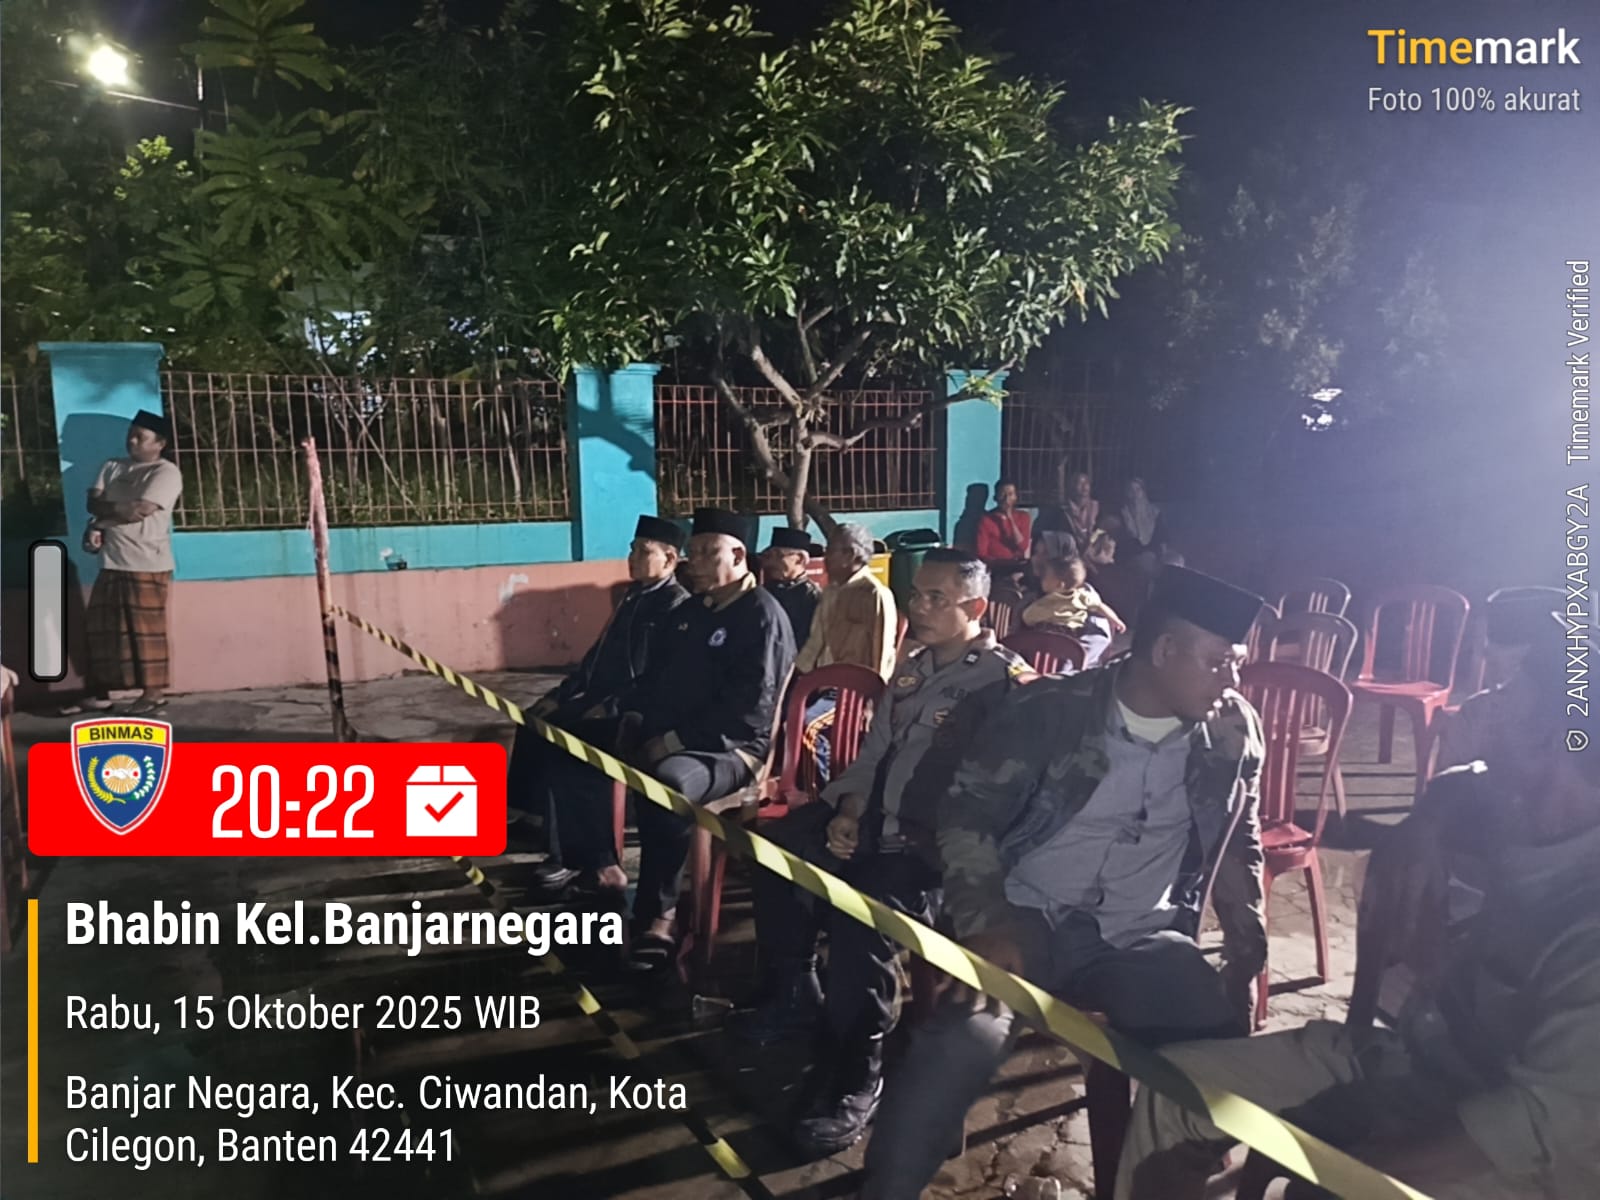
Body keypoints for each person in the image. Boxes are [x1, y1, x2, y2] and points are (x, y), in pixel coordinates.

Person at [1116, 638, 1600, 1200]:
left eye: (1510, 695)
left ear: (1550, 742)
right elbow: (1463, 780)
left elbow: (1535, 1130)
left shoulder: (1585, 921)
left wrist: (1346, 1174)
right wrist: (1425, 822)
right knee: (1173, 1088)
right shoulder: (1521, 811)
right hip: (1418, 1065)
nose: (1486, 703)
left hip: (1516, 1161)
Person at [860, 566, 1268, 1200]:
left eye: (1235, 665)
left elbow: (1242, 836)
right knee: (956, 1044)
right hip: (1026, 917)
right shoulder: (1050, 711)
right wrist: (986, 921)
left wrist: (1247, 939)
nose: (1232, 680)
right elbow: (966, 816)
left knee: (1221, 1068)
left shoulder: (1231, 732)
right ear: (1164, 650)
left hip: (1140, 934)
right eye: (1219, 663)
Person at [728, 550, 1034, 1155]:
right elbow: (872, 756)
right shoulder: (912, 669)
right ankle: (797, 988)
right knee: (775, 851)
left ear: (975, 607)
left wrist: (911, 834)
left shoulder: (1003, 685)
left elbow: (1002, 797)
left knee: (860, 916)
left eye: (936, 598)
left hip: (933, 850)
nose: (919, 607)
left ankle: (858, 1071)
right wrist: (847, 811)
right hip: (875, 822)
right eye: (916, 594)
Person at [546, 508, 796, 970]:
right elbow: (655, 680)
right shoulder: (692, 612)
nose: (693, 562)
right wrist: (622, 710)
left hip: (730, 749)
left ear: (738, 555)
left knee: (667, 782)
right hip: (668, 732)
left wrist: (675, 740)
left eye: (706, 552)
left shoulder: (761, 616)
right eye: (692, 552)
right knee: (571, 741)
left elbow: (749, 713)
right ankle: (602, 864)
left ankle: (660, 915)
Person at [512, 515, 690, 890]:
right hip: (601, 699)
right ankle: (533, 816)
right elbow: (595, 660)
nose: (632, 558)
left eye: (643, 552)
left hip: (636, 711)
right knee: (534, 720)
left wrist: (610, 706)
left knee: (570, 743)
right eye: (631, 549)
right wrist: (559, 694)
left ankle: (579, 858)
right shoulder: (633, 597)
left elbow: (656, 677)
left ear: (670, 559)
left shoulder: (676, 606)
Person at [64, 409, 184, 716]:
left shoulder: (165, 472)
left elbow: (139, 510)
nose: (132, 441)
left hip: (146, 563)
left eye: (140, 437)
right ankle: (99, 693)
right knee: (102, 630)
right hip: (112, 561)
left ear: (160, 443)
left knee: (145, 632)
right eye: (131, 435)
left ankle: (153, 694)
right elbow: (93, 501)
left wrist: (100, 521)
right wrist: (106, 513)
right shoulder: (113, 466)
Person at [794, 523, 899, 784]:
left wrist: (872, 703)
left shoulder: (875, 594)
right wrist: (794, 680)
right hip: (820, 684)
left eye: (831, 550)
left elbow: (883, 653)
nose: (825, 557)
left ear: (851, 555)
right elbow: (815, 641)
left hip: (851, 693)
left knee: (807, 727)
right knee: (784, 718)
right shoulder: (830, 591)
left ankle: (823, 796)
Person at [1021, 555, 1128, 637]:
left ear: (1059, 585)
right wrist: (1115, 620)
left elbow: (1028, 617)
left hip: (1050, 637)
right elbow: (1099, 605)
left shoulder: (1046, 603)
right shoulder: (1082, 596)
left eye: (1045, 577)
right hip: (1075, 637)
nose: (1042, 579)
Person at [760, 526, 823, 648]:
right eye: (769, 555)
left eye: (778, 555)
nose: (770, 562)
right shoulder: (765, 591)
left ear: (799, 559)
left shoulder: (812, 597)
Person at [975, 479, 1034, 581]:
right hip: (995, 567)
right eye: (1002, 495)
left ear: (1015, 497)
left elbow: (1022, 546)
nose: (1006, 499)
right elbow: (981, 552)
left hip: (1016, 565)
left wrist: (1010, 518)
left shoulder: (1023, 517)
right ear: (995, 498)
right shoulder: (986, 519)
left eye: (1010, 494)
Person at [1117, 477, 1164, 561]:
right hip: (1130, 555)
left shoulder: (1155, 512)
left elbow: (1161, 537)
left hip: (1153, 554)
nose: (1135, 493)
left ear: (1143, 491)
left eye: (1138, 489)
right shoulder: (1122, 513)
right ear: (1127, 493)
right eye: (1131, 490)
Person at [1062, 470, 1101, 551]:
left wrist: (1090, 543)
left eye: (1086, 483)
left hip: (1095, 548)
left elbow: (1099, 530)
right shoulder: (1065, 510)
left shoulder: (1096, 506)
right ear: (1072, 486)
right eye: (1080, 483)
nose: (1084, 486)